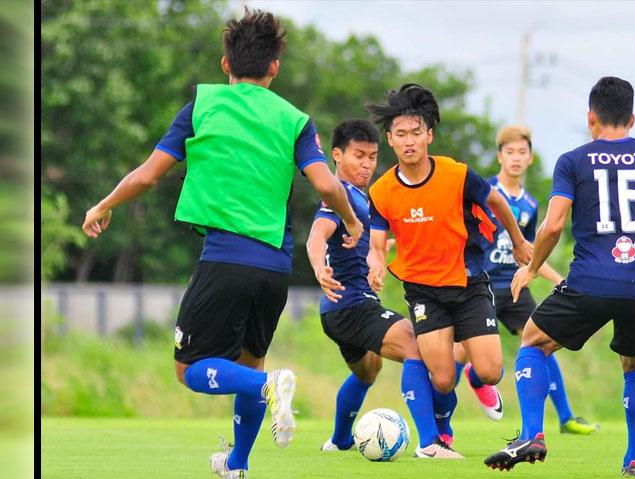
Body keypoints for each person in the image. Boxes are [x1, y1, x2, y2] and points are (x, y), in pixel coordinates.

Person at [81, 9, 362, 478]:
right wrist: (351, 221)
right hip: (275, 268)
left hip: (226, 259)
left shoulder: (202, 107)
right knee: (249, 366)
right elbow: (328, 186)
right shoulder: (295, 120)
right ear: (274, 67)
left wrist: (103, 204)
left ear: (224, 64)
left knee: (189, 369)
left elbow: (149, 176)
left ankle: (270, 386)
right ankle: (237, 465)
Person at [483, 76, 635, 477]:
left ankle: (532, 433)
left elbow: (553, 224)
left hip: (589, 281)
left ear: (590, 117)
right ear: (632, 118)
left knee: (533, 340)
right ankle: (634, 459)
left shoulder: (573, 160)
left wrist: (530, 267)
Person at [365, 83, 534, 457]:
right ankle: (441, 434)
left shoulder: (456, 175)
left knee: (491, 371)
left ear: (429, 135)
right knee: (441, 380)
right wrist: (376, 263)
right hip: (424, 291)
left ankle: (475, 376)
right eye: (400, 135)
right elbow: (378, 242)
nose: (409, 141)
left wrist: (519, 241)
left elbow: (496, 200)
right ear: (390, 140)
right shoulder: (381, 191)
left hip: (468, 281)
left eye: (415, 133)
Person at [306, 119, 451, 458]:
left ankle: (340, 439)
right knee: (416, 346)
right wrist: (317, 267)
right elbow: (317, 235)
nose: (367, 164)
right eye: (359, 156)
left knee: (368, 371)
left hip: (340, 310)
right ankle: (432, 443)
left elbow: (382, 241)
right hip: (351, 305)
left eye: (372, 156)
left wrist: (378, 261)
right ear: (337, 156)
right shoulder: (339, 196)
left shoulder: (365, 199)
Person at [453, 125, 599, 435]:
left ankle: (566, 417)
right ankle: (441, 426)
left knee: (543, 339)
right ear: (499, 156)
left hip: (516, 286)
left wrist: (559, 278)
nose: (516, 158)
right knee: (459, 355)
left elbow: (530, 253)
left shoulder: (531, 205)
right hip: (482, 288)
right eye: (510, 152)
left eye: (522, 152)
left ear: (530, 158)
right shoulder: (484, 192)